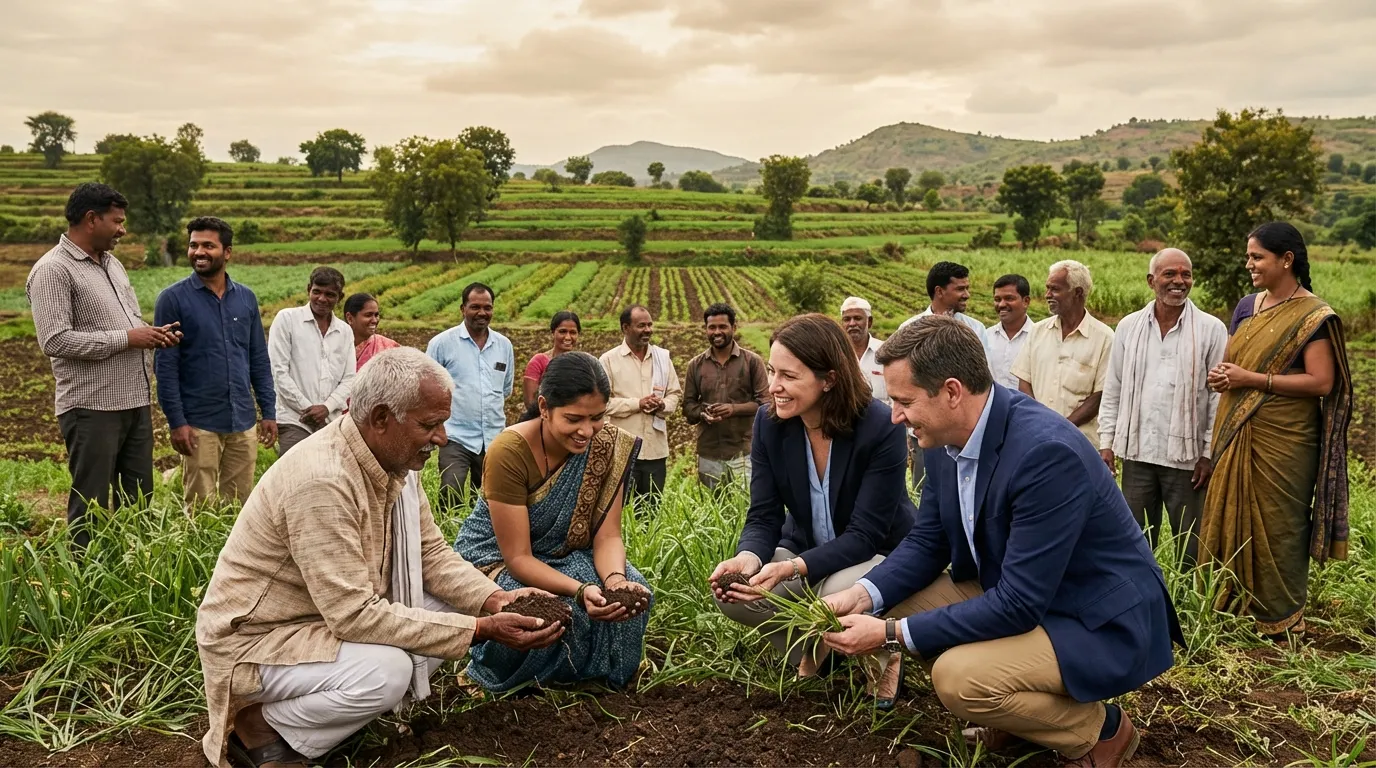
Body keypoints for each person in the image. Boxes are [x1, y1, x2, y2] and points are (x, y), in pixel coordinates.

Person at [822, 316, 1182, 764]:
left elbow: (1020, 602)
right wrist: (862, 596)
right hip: (1027, 595)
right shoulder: (944, 440)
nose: (895, 416)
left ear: (952, 392)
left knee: (959, 679)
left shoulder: (1044, 453)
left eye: (903, 401)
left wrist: (892, 635)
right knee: (882, 598)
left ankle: (1099, 731)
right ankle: (1021, 721)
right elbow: (928, 541)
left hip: (1092, 617)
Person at [196, 348, 564, 768]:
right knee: (387, 672)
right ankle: (262, 725)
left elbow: (431, 555)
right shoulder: (323, 482)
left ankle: (317, 717)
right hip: (260, 639)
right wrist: (479, 629)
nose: (443, 438)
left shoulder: (395, 463)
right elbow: (352, 615)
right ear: (381, 419)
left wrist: (496, 601)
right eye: (430, 425)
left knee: (454, 605)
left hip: (323, 614)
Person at [709, 314, 915, 707]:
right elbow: (764, 514)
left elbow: (864, 536)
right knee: (732, 592)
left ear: (829, 379)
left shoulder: (879, 427)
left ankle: (883, 658)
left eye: (789, 376)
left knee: (837, 591)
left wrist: (791, 569)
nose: (774, 387)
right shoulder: (771, 423)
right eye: (772, 371)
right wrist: (748, 557)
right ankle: (814, 647)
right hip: (807, 549)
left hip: (877, 553)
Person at [453, 352, 651, 692]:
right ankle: (520, 681)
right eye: (573, 419)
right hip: (498, 556)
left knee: (632, 591)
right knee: (547, 609)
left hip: (568, 553)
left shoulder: (608, 446)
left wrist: (615, 580)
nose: (587, 431)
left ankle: (601, 679)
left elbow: (607, 537)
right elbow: (519, 558)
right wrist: (580, 589)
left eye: (597, 417)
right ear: (544, 407)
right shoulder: (510, 451)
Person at [1201, 222, 1353, 640]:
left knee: (1281, 522)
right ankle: (1231, 605)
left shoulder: (1313, 316)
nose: (1248, 264)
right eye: (1248, 256)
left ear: (1286, 260)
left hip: (1285, 439)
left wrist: (1252, 379)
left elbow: (1322, 382)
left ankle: (1281, 615)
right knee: (1229, 510)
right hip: (1237, 428)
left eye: (1257, 257)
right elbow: (1236, 363)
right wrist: (1224, 377)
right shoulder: (1247, 307)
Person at [26, 183, 182, 550]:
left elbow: (126, 322)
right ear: (91, 219)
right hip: (91, 407)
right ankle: (87, 582)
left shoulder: (112, 264)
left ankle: (137, 574)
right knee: (91, 505)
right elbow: (55, 340)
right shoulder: (53, 270)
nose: (122, 230)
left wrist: (153, 334)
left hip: (134, 400)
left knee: (139, 499)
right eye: (117, 221)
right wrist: (129, 338)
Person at [1100, 249, 1226, 564]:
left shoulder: (1211, 329)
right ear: (1151, 280)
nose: (1179, 282)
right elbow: (1113, 386)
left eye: (1186, 274)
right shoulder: (1129, 327)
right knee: (1136, 542)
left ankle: (1190, 605)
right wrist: (1106, 444)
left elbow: (1217, 397)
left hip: (1188, 460)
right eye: (1170, 274)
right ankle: (1145, 604)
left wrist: (1209, 453)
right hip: (1137, 453)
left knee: (1192, 546)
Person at [155, 217, 277, 508]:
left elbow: (258, 358)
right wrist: (177, 422)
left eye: (208, 245)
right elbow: (166, 368)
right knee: (199, 509)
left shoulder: (245, 299)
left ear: (228, 252)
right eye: (193, 245)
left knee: (239, 507)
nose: (199, 252)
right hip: (199, 424)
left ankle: (233, 556)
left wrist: (268, 412)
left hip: (242, 421)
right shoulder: (172, 299)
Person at [426, 282, 515, 504]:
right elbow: (427, 388)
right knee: (450, 491)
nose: (482, 313)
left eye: (488, 307)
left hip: (493, 437)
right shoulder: (442, 343)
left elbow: (505, 389)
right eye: (475, 307)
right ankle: (447, 537)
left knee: (487, 499)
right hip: (455, 435)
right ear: (462, 309)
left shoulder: (504, 345)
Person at [1011, 260, 1114, 448]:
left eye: (1055, 289)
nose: (1047, 295)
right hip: (1037, 438)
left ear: (1078, 293)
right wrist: (1039, 422)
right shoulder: (1038, 331)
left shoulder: (1105, 338)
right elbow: (1024, 382)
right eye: (1047, 288)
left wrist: (1060, 427)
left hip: (1080, 442)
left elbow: (1099, 396)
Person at [268, 267, 355, 456]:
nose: (322, 299)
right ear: (309, 289)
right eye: (317, 292)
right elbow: (279, 371)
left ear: (340, 297)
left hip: (331, 421)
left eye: (330, 294)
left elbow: (349, 378)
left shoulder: (344, 331)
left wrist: (326, 407)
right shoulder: (287, 319)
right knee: (295, 477)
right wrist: (309, 410)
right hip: (295, 419)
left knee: (328, 479)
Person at [599, 305, 681, 504]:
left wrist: (662, 405)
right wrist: (637, 403)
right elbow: (602, 404)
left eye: (650, 325)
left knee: (651, 512)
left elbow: (675, 394)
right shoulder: (609, 360)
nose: (648, 330)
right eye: (641, 325)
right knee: (622, 512)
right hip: (623, 451)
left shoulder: (662, 358)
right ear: (625, 328)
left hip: (656, 451)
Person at [682, 303, 769, 490]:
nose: (717, 332)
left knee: (745, 508)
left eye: (722, 326)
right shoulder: (695, 365)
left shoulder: (752, 362)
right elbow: (688, 407)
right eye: (712, 327)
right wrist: (703, 413)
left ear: (733, 328)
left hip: (743, 452)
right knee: (713, 509)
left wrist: (733, 409)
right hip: (709, 453)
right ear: (705, 329)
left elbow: (765, 403)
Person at [899, 261, 991, 361]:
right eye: (960, 289)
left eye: (967, 288)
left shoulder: (976, 328)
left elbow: (985, 370)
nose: (967, 295)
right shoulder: (909, 329)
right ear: (939, 291)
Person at [523, 310, 580, 411]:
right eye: (562, 331)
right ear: (553, 333)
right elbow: (530, 402)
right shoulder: (538, 361)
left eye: (573, 332)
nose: (568, 337)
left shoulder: (580, 364)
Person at [986, 274, 1033, 390]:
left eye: (1009, 298)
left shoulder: (1039, 337)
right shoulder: (985, 337)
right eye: (997, 299)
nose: (1001, 304)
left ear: (1026, 301)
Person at [839, 296, 887, 405]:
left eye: (857, 318)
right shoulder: (836, 355)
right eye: (847, 319)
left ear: (869, 322)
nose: (852, 324)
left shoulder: (886, 353)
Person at [344, 292, 399, 371]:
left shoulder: (389, 347)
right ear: (350, 318)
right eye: (368, 315)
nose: (374, 320)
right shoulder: (336, 347)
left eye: (376, 315)